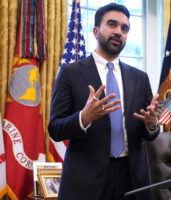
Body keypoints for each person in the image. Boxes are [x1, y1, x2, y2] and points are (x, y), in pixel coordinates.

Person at [48, 3, 159, 200]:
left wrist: (152, 125)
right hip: (86, 181)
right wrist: (84, 118)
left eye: (124, 28)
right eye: (112, 24)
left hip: (132, 179)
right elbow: (55, 129)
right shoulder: (70, 73)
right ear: (96, 31)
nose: (119, 32)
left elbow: (149, 134)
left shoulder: (140, 78)